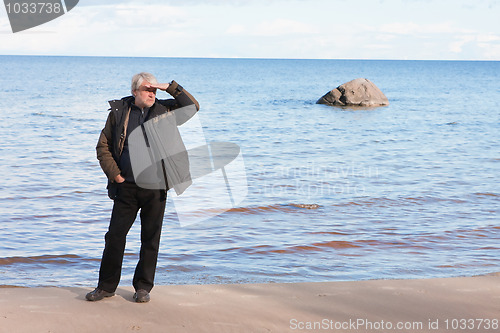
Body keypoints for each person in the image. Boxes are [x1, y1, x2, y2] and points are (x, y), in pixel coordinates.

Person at [86, 72, 199, 303]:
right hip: (126, 187)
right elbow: (103, 146)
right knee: (115, 237)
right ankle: (107, 287)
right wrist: (115, 175)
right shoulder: (119, 112)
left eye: (154, 90)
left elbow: (193, 107)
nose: (151, 93)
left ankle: (143, 288)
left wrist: (169, 87)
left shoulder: (165, 111)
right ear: (134, 91)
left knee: (150, 239)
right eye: (147, 89)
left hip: (156, 188)